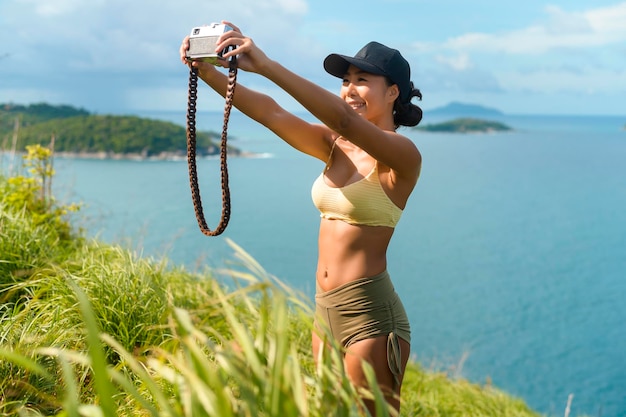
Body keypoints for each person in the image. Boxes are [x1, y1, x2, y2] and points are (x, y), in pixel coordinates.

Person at [180, 21, 423, 415]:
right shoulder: (334, 145)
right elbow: (271, 113)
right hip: (324, 309)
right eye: (347, 81)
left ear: (393, 91)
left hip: (370, 317)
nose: (350, 89)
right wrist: (207, 71)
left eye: (363, 80)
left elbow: (345, 119)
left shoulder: (402, 156)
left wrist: (267, 65)